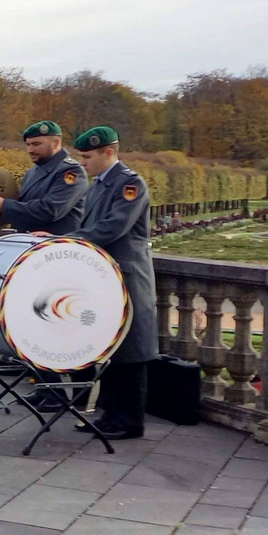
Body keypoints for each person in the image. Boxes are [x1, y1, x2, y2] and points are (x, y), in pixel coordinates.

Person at [71, 126, 156, 439]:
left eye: (88, 156)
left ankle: (130, 421)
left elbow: (112, 228)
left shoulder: (130, 183)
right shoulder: (97, 186)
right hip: (106, 276)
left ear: (109, 152)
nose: (83, 163)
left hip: (128, 276)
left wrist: (65, 241)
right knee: (111, 347)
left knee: (132, 350)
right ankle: (110, 414)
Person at [0, 120, 87, 236]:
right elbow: (24, 206)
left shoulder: (70, 172)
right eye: (28, 145)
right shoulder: (32, 172)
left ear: (56, 143)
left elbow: (51, 210)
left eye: (36, 144)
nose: (30, 150)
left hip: (56, 248)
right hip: (29, 245)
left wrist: (4, 206)